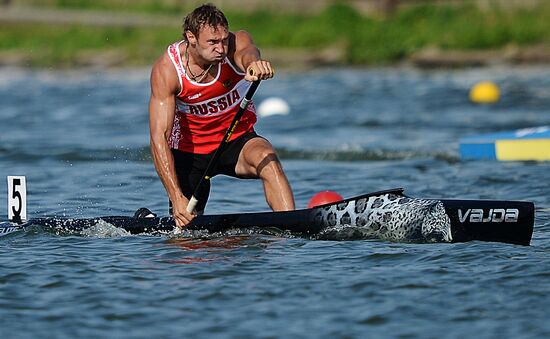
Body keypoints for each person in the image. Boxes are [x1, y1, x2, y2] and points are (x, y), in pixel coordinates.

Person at [149, 3, 295, 228]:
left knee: (268, 159)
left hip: (236, 141)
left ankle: (291, 226)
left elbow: (248, 53)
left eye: (224, 40)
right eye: (213, 42)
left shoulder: (235, 44)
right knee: (187, 240)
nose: (221, 48)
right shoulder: (168, 70)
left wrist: (254, 64)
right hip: (190, 154)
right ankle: (155, 219)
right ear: (191, 38)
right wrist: (177, 197)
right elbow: (159, 137)